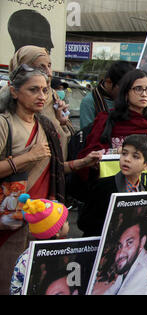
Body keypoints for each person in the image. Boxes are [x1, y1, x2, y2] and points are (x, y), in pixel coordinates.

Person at [0, 65, 101, 294]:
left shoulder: (45, 125)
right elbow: (35, 160)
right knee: (10, 281)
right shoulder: (5, 124)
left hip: (43, 220)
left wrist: (83, 162)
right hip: (11, 221)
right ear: (14, 91)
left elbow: (55, 168)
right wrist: (27, 158)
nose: (42, 96)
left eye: (45, 90)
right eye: (33, 90)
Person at [77, 69, 147, 182]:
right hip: (110, 188)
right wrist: (118, 152)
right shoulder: (106, 119)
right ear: (125, 92)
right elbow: (89, 158)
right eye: (138, 89)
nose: (144, 94)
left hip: (145, 188)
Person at [3, 45, 75, 161]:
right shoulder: (4, 109)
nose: (49, 73)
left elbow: (59, 150)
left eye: (49, 66)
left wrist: (61, 122)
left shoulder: (53, 97)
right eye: (41, 67)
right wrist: (27, 158)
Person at [78, 134, 147, 237]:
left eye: (135, 156)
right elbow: (83, 223)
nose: (127, 159)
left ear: (146, 165)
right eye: (124, 153)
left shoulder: (146, 192)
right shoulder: (102, 187)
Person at [10, 194, 70, 295]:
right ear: (56, 231)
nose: (68, 223)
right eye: (65, 222)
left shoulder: (26, 258)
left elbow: (15, 287)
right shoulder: (68, 251)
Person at [103, 217, 147, 295]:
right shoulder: (130, 262)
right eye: (120, 246)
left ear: (142, 242)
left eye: (129, 243)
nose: (120, 253)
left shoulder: (144, 269)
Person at [79, 61, 135, 129]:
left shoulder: (131, 100)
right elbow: (87, 134)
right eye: (123, 88)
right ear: (109, 82)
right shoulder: (89, 102)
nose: (127, 92)